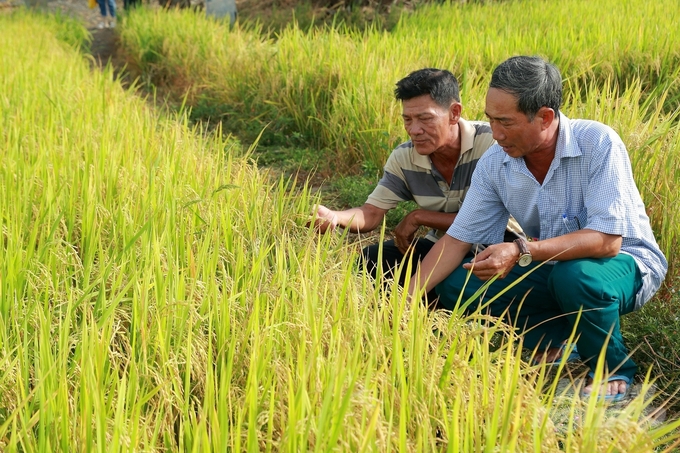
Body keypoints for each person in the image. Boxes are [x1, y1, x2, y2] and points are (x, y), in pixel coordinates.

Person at [410, 55, 667, 401]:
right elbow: (458, 239)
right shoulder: (496, 162)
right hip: (553, 264)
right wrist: (403, 302)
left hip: (624, 265)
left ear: (545, 117)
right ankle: (553, 340)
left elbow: (607, 242)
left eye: (506, 122)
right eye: (490, 120)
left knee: (574, 278)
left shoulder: (598, 143)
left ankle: (611, 369)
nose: (495, 134)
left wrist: (519, 249)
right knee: (458, 283)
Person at [313, 68, 518, 294]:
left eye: (425, 118)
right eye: (407, 120)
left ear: (454, 113)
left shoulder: (493, 144)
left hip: (496, 246)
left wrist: (420, 216)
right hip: (442, 248)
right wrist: (334, 216)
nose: (414, 130)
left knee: (457, 281)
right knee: (371, 260)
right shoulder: (404, 158)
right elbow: (371, 213)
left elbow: (483, 221)